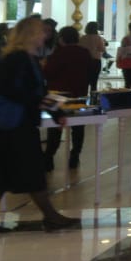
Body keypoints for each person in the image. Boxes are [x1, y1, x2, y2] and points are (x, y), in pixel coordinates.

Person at [0, 17, 79, 233]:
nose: (45, 35)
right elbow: (9, 89)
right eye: (41, 31)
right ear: (29, 34)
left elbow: (38, 91)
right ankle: (51, 216)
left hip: (17, 122)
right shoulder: (17, 58)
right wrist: (37, 102)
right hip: (15, 123)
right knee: (31, 170)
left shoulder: (28, 58)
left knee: (3, 172)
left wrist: (56, 111)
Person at [42, 26, 92, 171]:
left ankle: (49, 157)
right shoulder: (84, 52)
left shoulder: (59, 53)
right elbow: (90, 71)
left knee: (55, 127)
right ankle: (75, 156)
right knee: (78, 127)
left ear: (62, 38)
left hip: (58, 95)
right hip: (80, 93)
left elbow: (48, 72)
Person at [79, 21, 108, 93]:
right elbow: (102, 49)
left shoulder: (82, 38)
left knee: (85, 82)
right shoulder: (98, 38)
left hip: (84, 62)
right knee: (94, 83)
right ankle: (93, 98)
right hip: (95, 61)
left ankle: (84, 97)